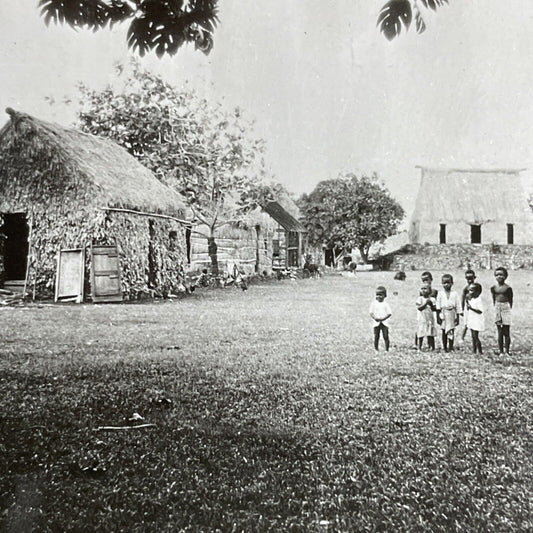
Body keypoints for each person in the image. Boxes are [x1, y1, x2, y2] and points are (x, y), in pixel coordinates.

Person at [490, 266, 513, 355]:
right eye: (497, 275)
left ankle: (507, 350)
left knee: (506, 330)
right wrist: (496, 308)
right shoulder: (493, 288)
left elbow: (511, 300)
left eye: (501, 275)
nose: (499, 277)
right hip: (497, 307)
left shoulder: (508, 288)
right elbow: (493, 299)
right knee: (499, 331)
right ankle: (501, 351)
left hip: (505, 307)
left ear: (505, 276)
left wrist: (508, 309)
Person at [436, 274, 461, 352]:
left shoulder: (455, 294)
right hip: (443, 313)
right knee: (444, 330)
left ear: (452, 283)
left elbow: (458, 305)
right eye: (444, 283)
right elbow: (438, 305)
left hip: (452, 313)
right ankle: (444, 346)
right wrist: (438, 317)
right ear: (442, 283)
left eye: (448, 283)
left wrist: (458, 317)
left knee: (451, 331)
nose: (446, 285)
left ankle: (450, 346)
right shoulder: (440, 293)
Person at [413, 271, 438, 348]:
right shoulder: (422, 291)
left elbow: (435, 306)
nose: (426, 282)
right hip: (422, 313)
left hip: (430, 313)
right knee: (420, 328)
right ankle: (416, 344)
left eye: (427, 280)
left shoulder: (434, 291)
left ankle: (430, 344)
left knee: (429, 328)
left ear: (431, 279)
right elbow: (420, 303)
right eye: (424, 280)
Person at [369, 286, 392, 352]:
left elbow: (389, 313)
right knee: (376, 336)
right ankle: (376, 349)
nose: (379, 297)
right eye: (377, 295)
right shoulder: (374, 304)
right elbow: (371, 312)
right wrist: (375, 318)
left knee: (385, 336)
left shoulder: (385, 304)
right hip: (376, 323)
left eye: (381, 295)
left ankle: (386, 349)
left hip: (384, 323)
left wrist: (383, 319)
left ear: (385, 296)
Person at [416, 285, 437, 351]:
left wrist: (431, 304)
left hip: (429, 319)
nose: (423, 290)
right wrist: (425, 304)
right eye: (422, 289)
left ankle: (432, 347)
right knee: (421, 333)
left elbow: (434, 309)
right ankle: (419, 348)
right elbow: (419, 308)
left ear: (430, 291)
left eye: (425, 288)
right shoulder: (420, 299)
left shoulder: (432, 299)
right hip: (422, 319)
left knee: (430, 333)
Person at [465, 282, 484, 354]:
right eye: (469, 290)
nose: (470, 292)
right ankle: (474, 350)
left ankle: (480, 351)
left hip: (476, 320)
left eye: (472, 290)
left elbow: (480, 311)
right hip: (472, 319)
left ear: (478, 292)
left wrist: (471, 308)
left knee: (475, 336)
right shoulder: (471, 299)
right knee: (473, 336)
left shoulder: (478, 300)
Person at [461, 269, 477, 341]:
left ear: (474, 277)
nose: (469, 280)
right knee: (466, 324)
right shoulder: (466, 288)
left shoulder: (476, 287)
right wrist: (462, 309)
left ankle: (474, 338)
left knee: (474, 323)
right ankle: (462, 338)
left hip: (474, 307)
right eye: (468, 279)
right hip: (467, 308)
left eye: (471, 278)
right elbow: (463, 298)